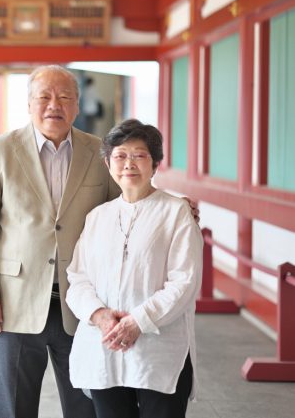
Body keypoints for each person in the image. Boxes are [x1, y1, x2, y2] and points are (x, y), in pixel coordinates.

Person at [0, 65, 120, 418]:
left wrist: (174, 206)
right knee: (14, 407)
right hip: (14, 302)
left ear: (77, 105)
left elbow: (124, 206)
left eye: (65, 97)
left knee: (86, 405)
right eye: (45, 97)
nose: (55, 105)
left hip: (82, 304)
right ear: (29, 103)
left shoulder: (99, 153)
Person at [65, 119, 202, 418]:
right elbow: (78, 277)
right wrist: (100, 316)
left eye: (139, 155)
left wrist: (138, 321)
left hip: (158, 348)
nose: (129, 163)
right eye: (120, 156)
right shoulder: (97, 216)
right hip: (105, 346)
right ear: (108, 163)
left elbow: (184, 281)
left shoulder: (176, 211)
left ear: (155, 164)